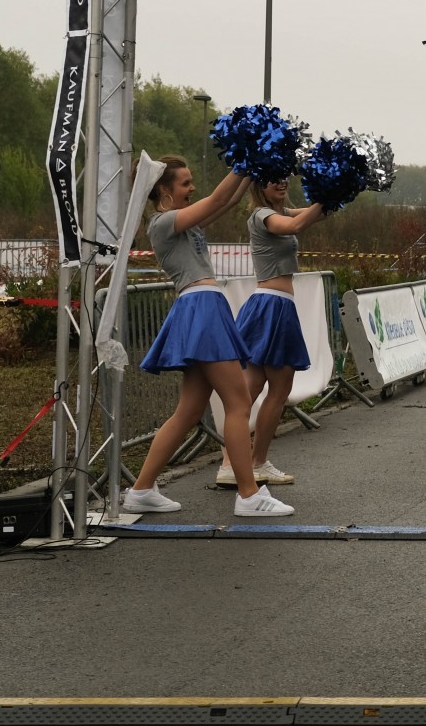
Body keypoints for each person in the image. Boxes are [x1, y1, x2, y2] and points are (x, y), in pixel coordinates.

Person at [125, 157, 293, 518]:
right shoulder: (163, 222)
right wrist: (244, 159)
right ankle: (248, 495)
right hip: (200, 307)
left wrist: (251, 167)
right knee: (238, 403)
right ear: (164, 190)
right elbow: (217, 199)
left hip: (203, 307)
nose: (192, 188)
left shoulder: (183, 220)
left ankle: (141, 490)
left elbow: (227, 201)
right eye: (185, 183)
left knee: (188, 412)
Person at [220, 180, 324, 489]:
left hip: (270, 306)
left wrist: (334, 192)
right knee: (278, 390)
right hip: (272, 306)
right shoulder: (262, 215)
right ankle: (257, 462)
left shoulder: (282, 211)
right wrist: (325, 200)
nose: (281, 182)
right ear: (259, 186)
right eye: (272, 178)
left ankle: (229, 464)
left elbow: (315, 214)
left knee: (250, 389)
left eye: (283, 177)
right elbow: (296, 225)